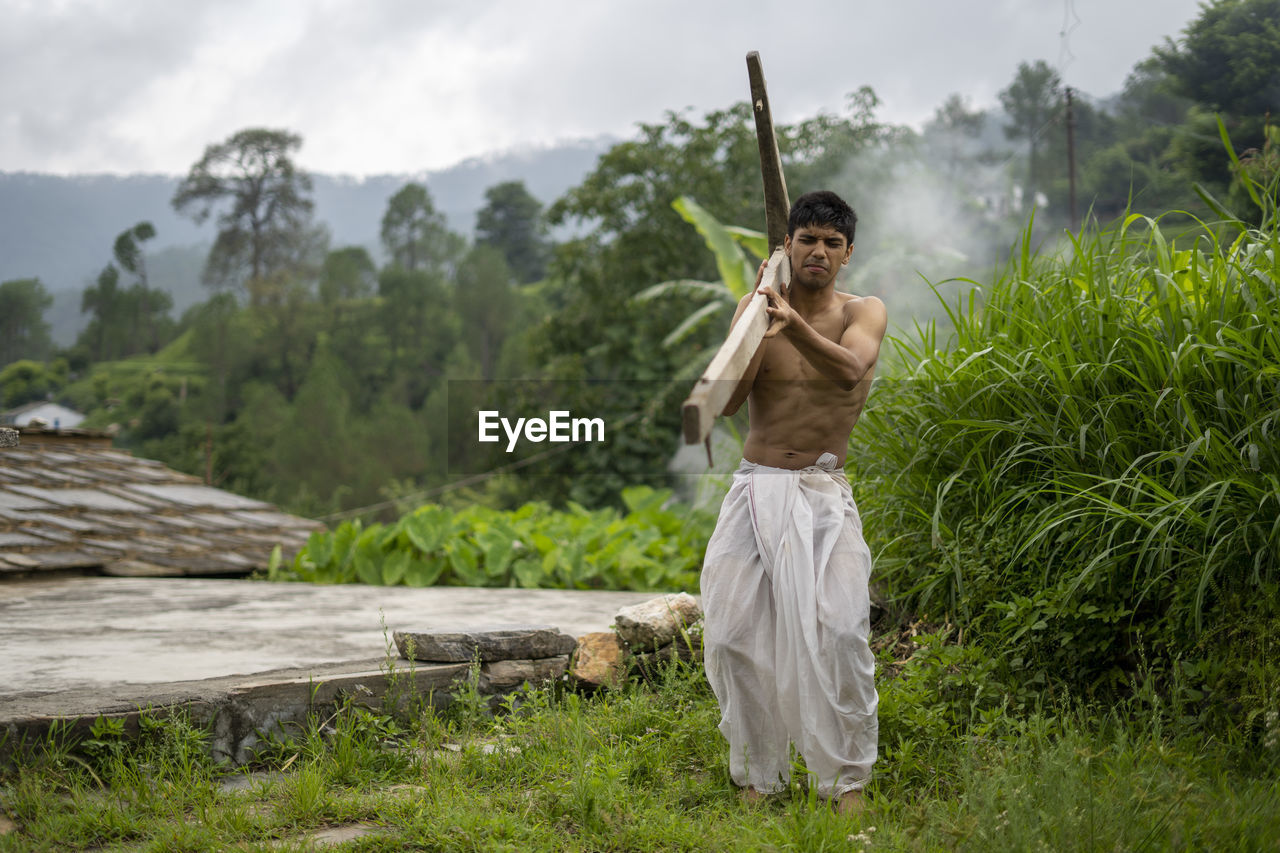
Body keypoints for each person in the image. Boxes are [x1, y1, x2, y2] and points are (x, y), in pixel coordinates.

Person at [701, 190, 886, 815]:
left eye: (832, 243)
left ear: (847, 255)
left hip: (823, 495)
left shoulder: (864, 312)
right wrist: (751, 316)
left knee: (839, 631)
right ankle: (760, 775)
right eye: (807, 238)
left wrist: (792, 323)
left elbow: (850, 373)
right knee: (731, 635)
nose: (819, 252)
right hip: (756, 489)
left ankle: (847, 781)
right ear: (789, 247)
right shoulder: (756, 311)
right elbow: (724, 404)